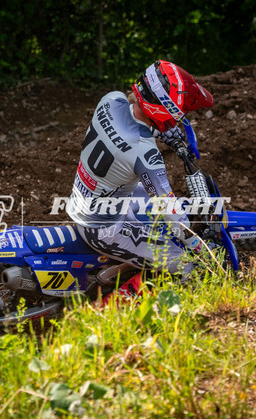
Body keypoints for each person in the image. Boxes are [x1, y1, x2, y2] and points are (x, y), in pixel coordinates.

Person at [66, 59, 214, 276]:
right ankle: (130, 294)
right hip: (101, 228)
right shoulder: (145, 153)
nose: (181, 115)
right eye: (179, 110)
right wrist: (196, 244)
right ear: (163, 108)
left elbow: (127, 123)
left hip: (89, 198)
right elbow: (169, 209)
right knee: (185, 264)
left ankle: (135, 260)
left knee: (154, 204)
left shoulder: (110, 99)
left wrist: (158, 130)